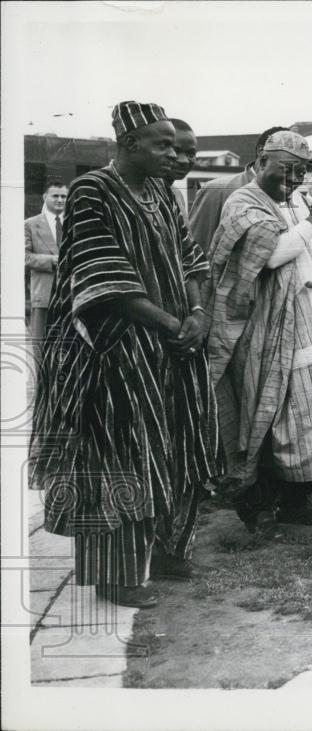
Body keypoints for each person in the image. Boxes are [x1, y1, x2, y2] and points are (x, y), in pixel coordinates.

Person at [28, 101, 223, 608]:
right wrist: (172, 323)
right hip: (113, 351)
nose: (171, 153)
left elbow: (191, 258)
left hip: (174, 347)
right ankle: (115, 575)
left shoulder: (161, 193)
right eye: (161, 144)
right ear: (129, 143)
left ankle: (165, 551)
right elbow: (102, 276)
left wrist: (199, 313)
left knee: (176, 445)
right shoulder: (94, 191)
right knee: (118, 456)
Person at [206, 130, 312, 532]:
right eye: (285, 170)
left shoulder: (296, 199)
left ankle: (299, 502)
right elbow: (270, 255)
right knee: (265, 417)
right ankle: (259, 507)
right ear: (261, 162)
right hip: (265, 330)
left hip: (310, 324)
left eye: (299, 171)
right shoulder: (243, 201)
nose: (293, 179)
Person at [187, 125, 289, 250]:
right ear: (262, 152)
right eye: (287, 155)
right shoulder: (217, 190)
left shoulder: (295, 196)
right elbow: (197, 246)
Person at [24, 179, 67, 361]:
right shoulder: (30, 224)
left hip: (71, 297)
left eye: (64, 196)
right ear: (45, 197)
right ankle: (43, 387)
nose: (60, 200)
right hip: (44, 297)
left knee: (68, 347)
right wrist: (52, 261)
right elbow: (23, 257)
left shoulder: (74, 224)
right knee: (41, 350)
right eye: (55, 196)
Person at [165, 118, 197, 223]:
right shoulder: (141, 196)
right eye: (175, 151)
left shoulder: (176, 194)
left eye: (191, 153)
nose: (184, 161)